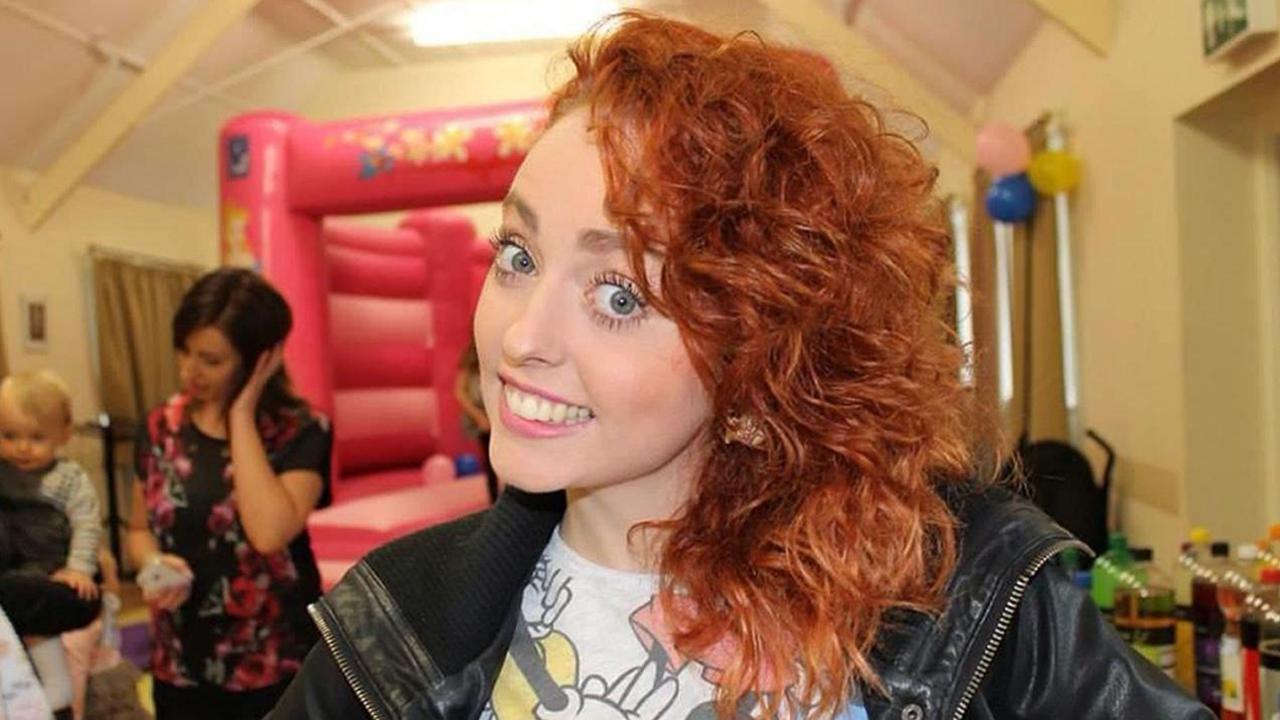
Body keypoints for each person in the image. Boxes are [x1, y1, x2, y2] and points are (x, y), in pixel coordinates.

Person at [270, 13, 1211, 719]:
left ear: (763, 343)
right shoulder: (396, 620)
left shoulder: (965, 588)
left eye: (619, 295)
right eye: (517, 256)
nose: (521, 337)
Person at [127, 268, 333, 720]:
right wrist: (150, 563)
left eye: (211, 360)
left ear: (260, 359)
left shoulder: (301, 431)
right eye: (184, 352)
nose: (189, 371)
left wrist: (240, 411)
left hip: (272, 665)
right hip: (179, 663)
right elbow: (139, 528)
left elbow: (268, 533)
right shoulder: (161, 427)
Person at [0, 370, 104, 718]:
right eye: (9, 435)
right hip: (12, 574)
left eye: (37, 437)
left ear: (64, 433)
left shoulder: (69, 479)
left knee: (49, 660)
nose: (22, 447)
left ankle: (58, 701)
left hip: (50, 575)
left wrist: (78, 568)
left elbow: (87, 525)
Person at [455, 338, 499, 501]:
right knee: (489, 461)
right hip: (481, 415)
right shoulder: (470, 361)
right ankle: (493, 499)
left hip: (494, 412)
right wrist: (478, 415)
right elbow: (459, 392)